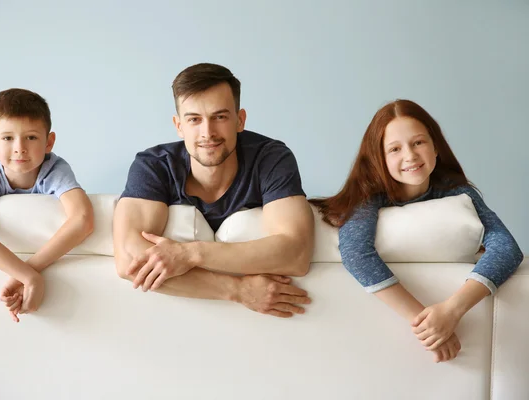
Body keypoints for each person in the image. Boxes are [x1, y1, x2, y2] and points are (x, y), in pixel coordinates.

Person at [310, 99, 523, 362]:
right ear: (379, 158)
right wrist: (426, 324)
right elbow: (356, 253)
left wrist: (451, 311)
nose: (410, 156)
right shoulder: (368, 197)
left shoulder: (458, 192)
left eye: (418, 142)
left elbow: (507, 248)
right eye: (395, 149)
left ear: (435, 147)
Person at [113, 63, 314, 318]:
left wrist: (190, 253)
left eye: (220, 117)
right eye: (194, 120)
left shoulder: (271, 158)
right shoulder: (153, 165)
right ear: (178, 126)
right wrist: (237, 289)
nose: (207, 132)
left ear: (240, 120)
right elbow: (130, 263)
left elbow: (296, 253)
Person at [0, 88, 94, 322]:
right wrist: (30, 278)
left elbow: (83, 219)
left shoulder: (54, 169)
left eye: (31, 137)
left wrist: (30, 271)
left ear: (49, 141)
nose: (20, 147)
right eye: (7, 138)